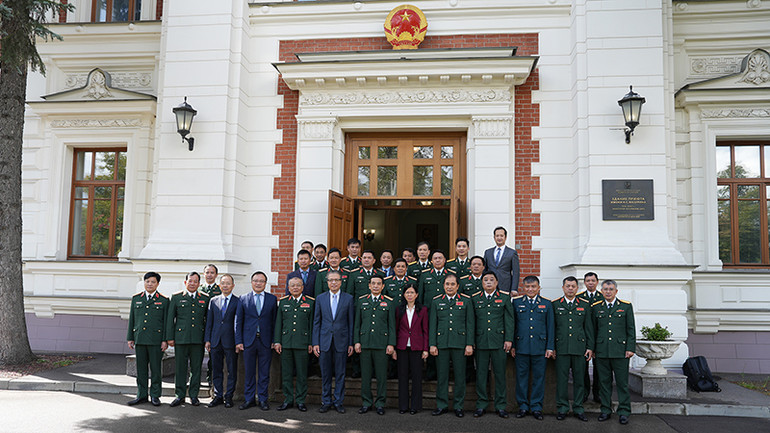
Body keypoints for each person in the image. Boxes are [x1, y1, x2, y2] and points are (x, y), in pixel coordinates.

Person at [590, 279, 635, 425]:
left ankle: (624, 411)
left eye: (610, 289)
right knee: (604, 383)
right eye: (605, 289)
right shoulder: (596, 307)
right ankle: (605, 410)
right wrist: (593, 348)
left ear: (616, 291)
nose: (608, 292)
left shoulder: (626, 306)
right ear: (601, 291)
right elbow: (593, 330)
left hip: (621, 352)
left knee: (622, 383)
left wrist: (630, 348)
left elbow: (631, 329)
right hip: (601, 351)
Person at [429, 273, 474, 418]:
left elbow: (470, 324)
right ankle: (441, 405)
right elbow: (433, 325)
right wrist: (432, 344)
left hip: (460, 343)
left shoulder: (466, 301)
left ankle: (458, 406)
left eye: (452, 284)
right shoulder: (436, 301)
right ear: (443, 286)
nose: (449, 287)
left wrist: (469, 344)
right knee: (442, 376)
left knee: (460, 377)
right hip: (441, 344)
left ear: (457, 286)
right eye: (447, 284)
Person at [472, 271, 514, 418]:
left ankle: (501, 405)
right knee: (481, 374)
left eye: (491, 280)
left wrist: (509, 339)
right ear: (481, 283)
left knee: (500, 375)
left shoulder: (504, 297)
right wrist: (471, 342)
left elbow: (509, 320)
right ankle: (481, 405)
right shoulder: (475, 298)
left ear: (496, 283)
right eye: (485, 280)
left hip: (499, 342)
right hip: (481, 342)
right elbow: (472, 322)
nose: (488, 282)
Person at [511, 275, 554, 420]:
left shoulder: (547, 304)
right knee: (521, 378)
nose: (530, 289)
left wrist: (550, 347)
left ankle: (536, 407)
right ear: (523, 288)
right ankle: (522, 406)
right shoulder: (516, 303)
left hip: (540, 348)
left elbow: (551, 327)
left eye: (533, 286)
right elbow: (513, 326)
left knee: (539, 378)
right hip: (521, 347)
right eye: (527, 287)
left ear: (539, 288)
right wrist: (513, 345)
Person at [313, 270, 355, 414]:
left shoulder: (348, 298)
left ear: (341, 281)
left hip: (341, 342)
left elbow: (351, 323)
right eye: (331, 280)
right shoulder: (320, 298)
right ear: (327, 282)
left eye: (336, 280)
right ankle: (325, 401)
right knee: (325, 374)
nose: (334, 283)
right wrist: (315, 343)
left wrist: (350, 343)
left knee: (340, 373)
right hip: (324, 341)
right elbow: (316, 322)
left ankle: (338, 401)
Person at [354, 275, 396, 415]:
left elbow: (391, 325)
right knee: (365, 376)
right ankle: (366, 402)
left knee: (381, 376)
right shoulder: (362, 301)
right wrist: (357, 341)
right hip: (365, 343)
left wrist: (391, 344)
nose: (376, 286)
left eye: (379, 284)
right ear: (369, 286)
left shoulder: (389, 302)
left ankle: (380, 403)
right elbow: (357, 324)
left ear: (383, 286)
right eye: (373, 283)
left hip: (381, 344)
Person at [235, 271, 277, 410]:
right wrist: (239, 341)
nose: (258, 283)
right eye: (256, 281)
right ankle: (249, 399)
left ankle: (263, 399)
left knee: (264, 372)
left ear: (265, 283)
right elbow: (238, 321)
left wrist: (274, 340)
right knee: (249, 372)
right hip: (248, 341)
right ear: (252, 282)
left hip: (265, 341)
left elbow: (275, 322)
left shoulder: (272, 299)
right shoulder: (243, 299)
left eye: (261, 281)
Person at [167, 271, 210, 407]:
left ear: (199, 283)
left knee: (196, 369)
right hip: (181, 338)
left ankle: (193, 395)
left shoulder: (205, 298)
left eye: (195, 281)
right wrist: (170, 338)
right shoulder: (176, 297)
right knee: (180, 368)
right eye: (190, 281)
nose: (192, 283)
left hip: (198, 339)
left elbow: (207, 320)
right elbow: (170, 320)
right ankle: (179, 395)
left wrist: (206, 339)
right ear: (185, 282)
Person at [552, 276, 592, 421]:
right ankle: (562, 408)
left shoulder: (585, 305)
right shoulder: (555, 304)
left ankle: (578, 408)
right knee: (562, 380)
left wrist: (590, 347)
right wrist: (552, 347)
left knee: (579, 380)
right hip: (561, 348)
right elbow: (553, 328)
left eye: (573, 286)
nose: (570, 288)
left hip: (579, 348)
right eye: (567, 286)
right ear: (563, 288)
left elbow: (589, 328)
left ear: (577, 288)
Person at [127, 271, 169, 406]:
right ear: (144, 282)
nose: (149, 284)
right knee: (141, 370)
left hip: (156, 340)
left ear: (157, 284)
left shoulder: (163, 300)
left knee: (156, 370)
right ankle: (142, 395)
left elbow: (166, 322)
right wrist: (130, 338)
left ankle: (155, 395)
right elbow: (132, 320)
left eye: (152, 282)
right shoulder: (136, 298)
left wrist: (165, 340)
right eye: (147, 281)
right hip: (140, 339)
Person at [275, 277, 315, 412]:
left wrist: (311, 342)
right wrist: (277, 341)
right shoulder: (284, 302)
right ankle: (287, 400)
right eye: (292, 286)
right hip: (286, 343)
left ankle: (300, 400)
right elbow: (278, 324)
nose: (295, 288)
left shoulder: (310, 302)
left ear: (303, 287)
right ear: (288, 287)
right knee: (286, 374)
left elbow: (312, 325)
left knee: (302, 374)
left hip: (302, 343)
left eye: (298, 285)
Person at [204, 273, 239, 408]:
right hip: (215, 340)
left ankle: (229, 396)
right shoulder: (213, 301)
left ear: (233, 286)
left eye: (228, 283)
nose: (225, 285)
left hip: (231, 341)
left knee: (231, 370)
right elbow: (209, 322)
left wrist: (238, 341)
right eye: (223, 283)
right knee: (216, 369)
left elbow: (238, 323)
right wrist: (207, 339)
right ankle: (218, 395)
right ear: (220, 285)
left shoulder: (238, 301)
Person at [418, 250, 454, 381]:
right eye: (435, 258)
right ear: (431, 261)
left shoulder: (451, 275)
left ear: (445, 260)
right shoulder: (425, 274)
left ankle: (445, 373)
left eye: (440, 258)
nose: (438, 260)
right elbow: (420, 295)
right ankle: (431, 371)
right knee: (430, 341)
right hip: (428, 314)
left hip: (446, 313)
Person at [395, 285, 428, 414]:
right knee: (402, 377)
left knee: (416, 377)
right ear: (404, 295)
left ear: (416, 295)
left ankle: (415, 406)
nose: (409, 295)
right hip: (402, 347)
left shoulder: (423, 310)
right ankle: (403, 406)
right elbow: (396, 329)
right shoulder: (399, 309)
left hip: (417, 347)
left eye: (412, 292)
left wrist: (426, 349)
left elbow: (425, 330)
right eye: (407, 292)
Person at [577, 271, 602, 403]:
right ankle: (585, 393)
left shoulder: (603, 297)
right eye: (588, 281)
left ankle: (597, 393)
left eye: (593, 280)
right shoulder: (579, 297)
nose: (590, 283)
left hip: (599, 338)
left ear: (597, 282)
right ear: (584, 282)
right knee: (583, 368)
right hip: (584, 338)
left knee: (599, 368)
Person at [483, 226, 520, 294]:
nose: (499, 238)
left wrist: (514, 289)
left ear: (505, 237)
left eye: (501, 236)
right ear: (494, 237)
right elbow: (484, 270)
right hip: (490, 286)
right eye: (497, 236)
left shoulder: (512, 253)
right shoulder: (488, 252)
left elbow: (516, 272)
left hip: (505, 286)